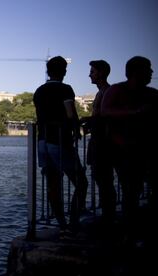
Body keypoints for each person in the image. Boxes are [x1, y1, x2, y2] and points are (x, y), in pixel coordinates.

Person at [101, 56, 157, 241]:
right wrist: (136, 113)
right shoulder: (117, 90)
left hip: (145, 148)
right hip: (124, 149)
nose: (152, 73)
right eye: (148, 69)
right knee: (130, 191)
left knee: (134, 191)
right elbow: (106, 112)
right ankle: (129, 232)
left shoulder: (151, 94)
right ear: (135, 72)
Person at [33, 56, 88, 231]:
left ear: (48, 72)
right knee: (81, 182)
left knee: (53, 183)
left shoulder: (39, 91)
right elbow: (70, 113)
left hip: (42, 140)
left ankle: (61, 224)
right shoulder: (65, 89)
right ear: (64, 71)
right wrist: (76, 129)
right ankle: (73, 221)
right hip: (59, 140)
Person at [85, 60, 116, 222]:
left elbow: (105, 118)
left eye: (93, 71)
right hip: (98, 142)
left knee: (104, 180)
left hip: (103, 143)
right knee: (101, 178)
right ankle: (107, 214)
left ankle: (108, 216)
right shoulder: (100, 93)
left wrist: (86, 120)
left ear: (101, 73)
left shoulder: (107, 92)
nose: (90, 74)